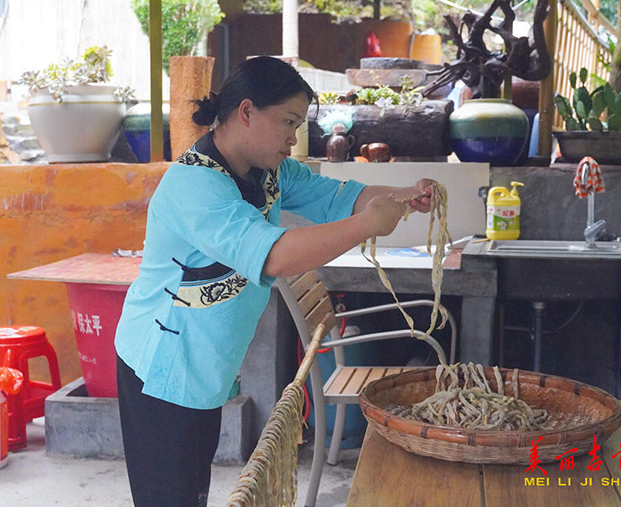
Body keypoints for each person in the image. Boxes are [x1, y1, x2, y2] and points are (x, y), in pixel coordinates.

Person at [114, 56, 438, 507]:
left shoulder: (269, 173)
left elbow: (335, 197)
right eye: (287, 122)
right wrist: (368, 225)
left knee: (191, 490)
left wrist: (402, 198)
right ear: (246, 111)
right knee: (170, 496)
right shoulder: (194, 185)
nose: (293, 137)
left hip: (204, 363)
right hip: (163, 366)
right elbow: (275, 255)